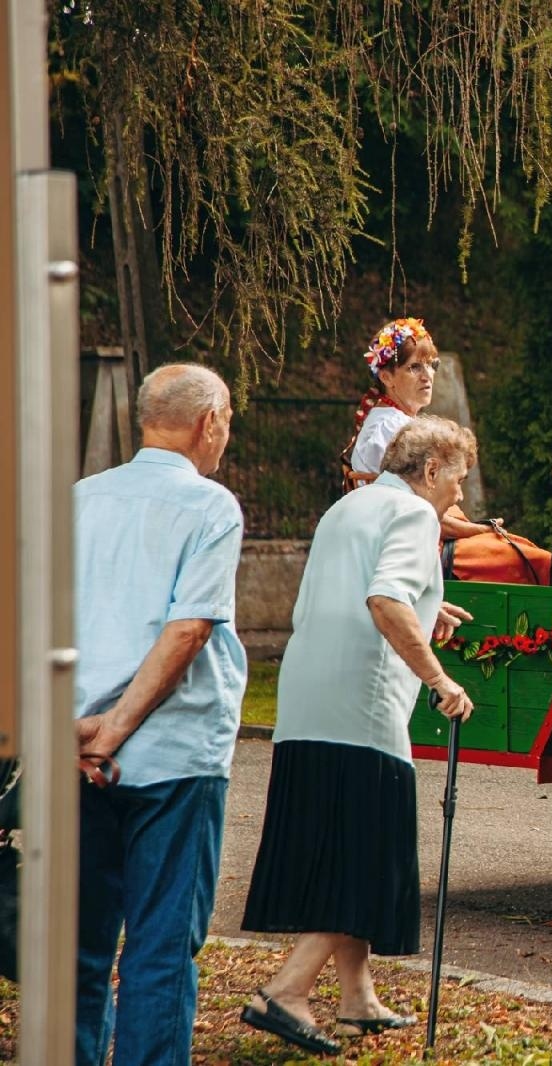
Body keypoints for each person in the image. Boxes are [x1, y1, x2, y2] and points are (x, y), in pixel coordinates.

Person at [240, 415, 477, 1056]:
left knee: (338, 838)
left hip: (309, 698)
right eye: (458, 478)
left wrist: (432, 604)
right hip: (363, 707)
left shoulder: (346, 507)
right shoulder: (419, 517)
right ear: (430, 470)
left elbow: (367, 588)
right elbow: (384, 600)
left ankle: (357, 996)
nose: (460, 495)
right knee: (365, 850)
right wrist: (438, 679)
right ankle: (285, 991)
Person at [73, 363, 245, 1066]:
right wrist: (117, 729)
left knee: (79, 950)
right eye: (227, 420)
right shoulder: (211, 506)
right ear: (209, 423)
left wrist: (74, 728)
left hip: (76, 751)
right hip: (172, 754)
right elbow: (188, 630)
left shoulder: (79, 499)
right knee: (160, 948)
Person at [342, 317, 490, 541]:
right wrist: (482, 531)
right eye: (414, 367)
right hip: (404, 540)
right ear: (386, 377)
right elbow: (421, 513)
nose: (428, 375)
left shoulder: (392, 419)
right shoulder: (392, 428)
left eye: (432, 364)